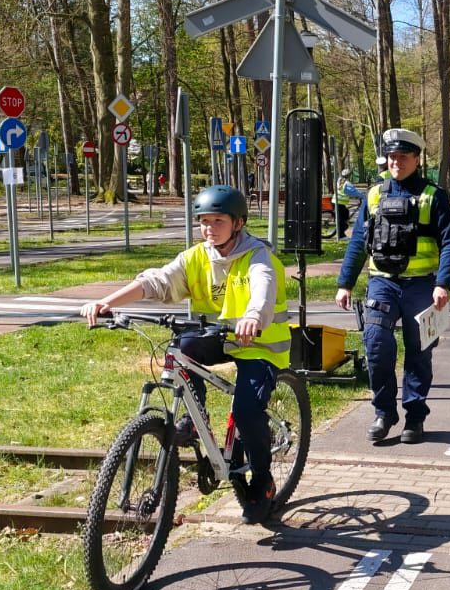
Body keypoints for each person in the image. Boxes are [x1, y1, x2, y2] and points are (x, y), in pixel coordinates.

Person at [79, 184, 291, 522]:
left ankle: (262, 480)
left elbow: (263, 287)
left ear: (238, 222)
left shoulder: (257, 255)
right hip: (217, 336)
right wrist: (108, 302)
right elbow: (157, 281)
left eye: (217, 221)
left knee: (248, 411)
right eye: (204, 222)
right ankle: (193, 420)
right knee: (182, 348)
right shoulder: (196, 256)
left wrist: (253, 316)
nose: (209, 229)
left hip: (258, 343)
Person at [335, 128, 450, 444]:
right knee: (376, 346)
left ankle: (414, 419)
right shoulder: (374, 194)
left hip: (422, 287)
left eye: (403, 156)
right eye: (392, 156)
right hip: (382, 284)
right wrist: (345, 283)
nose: (396, 162)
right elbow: (359, 242)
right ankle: (384, 413)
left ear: (417, 159)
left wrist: (443, 283)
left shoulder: (433, 195)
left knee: (419, 354)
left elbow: (449, 242)